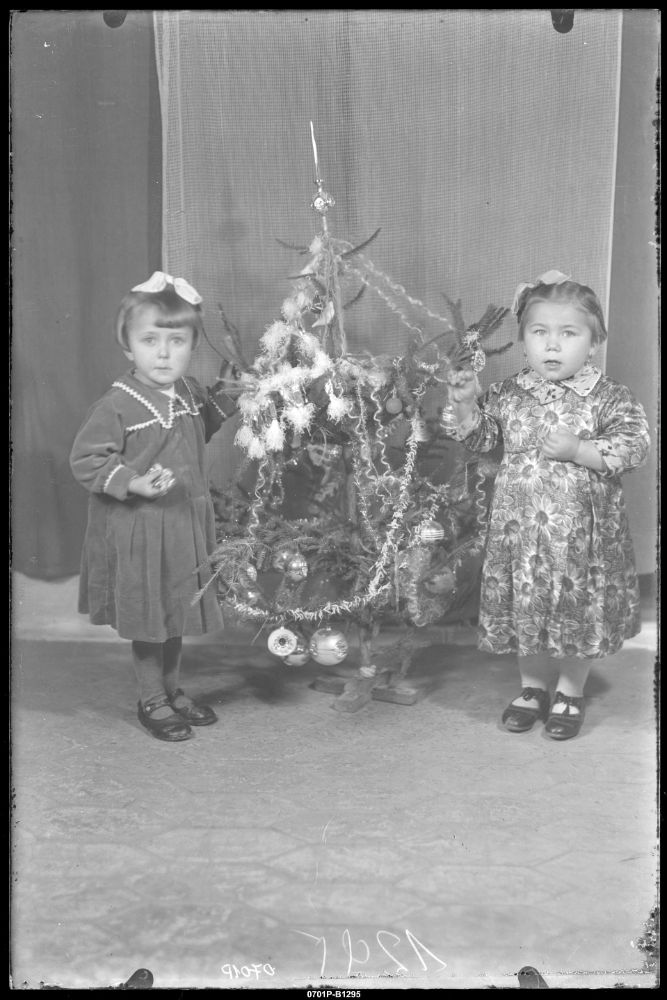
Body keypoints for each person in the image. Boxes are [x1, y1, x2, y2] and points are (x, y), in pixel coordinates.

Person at [441, 270, 650, 740]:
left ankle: (571, 690)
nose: (552, 345)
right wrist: (467, 406)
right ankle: (532, 687)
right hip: (520, 536)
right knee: (527, 608)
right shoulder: (509, 394)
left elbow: (635, 445)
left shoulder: (608, 397)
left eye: (568, 333)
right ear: (524, 341)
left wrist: (581, 450)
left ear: (593, 343)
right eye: (540, 333)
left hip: (581, 541)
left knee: (575, 609)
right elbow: (482, 439)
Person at [70, 271, 239, 742]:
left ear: (192, 346)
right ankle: (152, 699)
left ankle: (171, 689)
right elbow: (86, 460)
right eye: (150, 341)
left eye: (176, 341)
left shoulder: (188, 392)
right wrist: (134, 482)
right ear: (128, 347)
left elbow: (199, 429)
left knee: (175, 610)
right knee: (150, 616)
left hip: (182, 525)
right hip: (141, 530)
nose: (163, 354)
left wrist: (227, 398)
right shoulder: (117, 405)